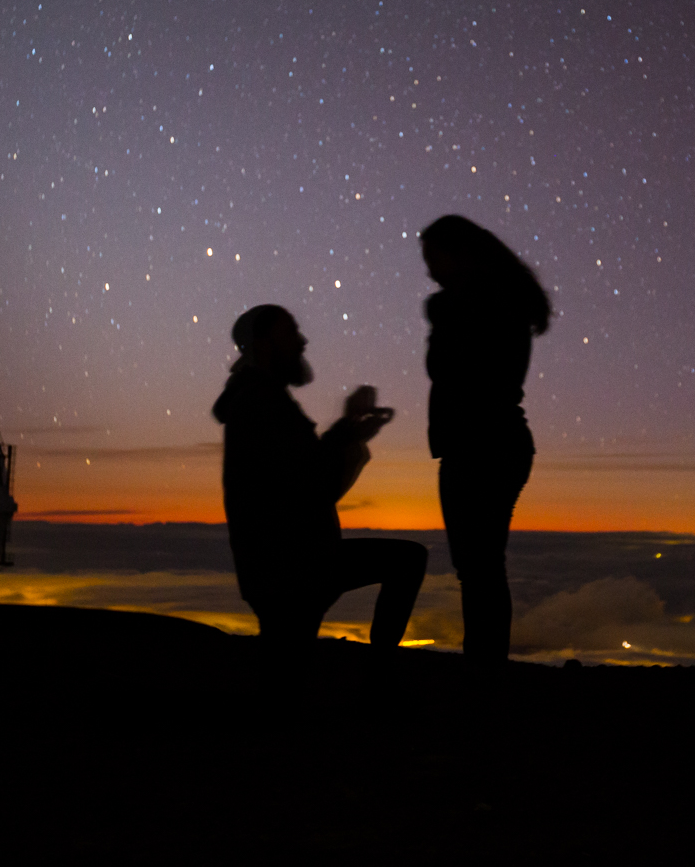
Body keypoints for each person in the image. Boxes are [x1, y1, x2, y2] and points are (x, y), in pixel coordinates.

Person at [212, 304, 427, 651]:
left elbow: (305, 467)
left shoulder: (261, 398)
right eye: (290, 333)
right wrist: (349, 434)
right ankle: (381, 679)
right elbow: (314, 483)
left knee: (287, 663)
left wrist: (349, 428)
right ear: (263, 343)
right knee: (407, 561)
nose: (302, 341)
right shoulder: (260, 402)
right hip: (292, 568)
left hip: (285, 564)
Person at [419, 216, 551, 663]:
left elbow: (451, 369)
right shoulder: (502, 300)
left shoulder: (475, 305)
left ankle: (483, 674)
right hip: (498, 443)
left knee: (478, 570)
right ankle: (485, 668)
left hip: (480, 446)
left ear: (459, 255)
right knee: (483, 568)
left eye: (433, 259)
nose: (429, 272)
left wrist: (439, 313)